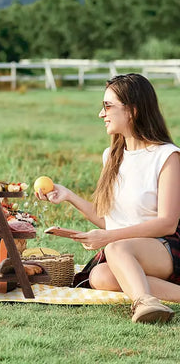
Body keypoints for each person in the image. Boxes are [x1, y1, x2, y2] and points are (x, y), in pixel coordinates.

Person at [36, 73, 180, 324]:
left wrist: (108, 238)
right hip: (125, 249)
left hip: (164, 247)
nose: (101, 114)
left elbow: (168, 223)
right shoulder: (111, 156)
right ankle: (159, 297)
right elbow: (110, 221)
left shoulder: (167, 156)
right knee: (100, 275)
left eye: (108, 106)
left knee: (115, 248)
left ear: (132, 111)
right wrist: (69, 196)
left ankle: (143, 302)